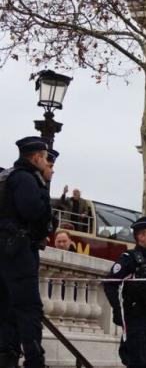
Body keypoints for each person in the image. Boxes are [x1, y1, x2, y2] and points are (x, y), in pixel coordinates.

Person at [0, 136, 53, 368]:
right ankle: (34, 359)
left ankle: (6, 356)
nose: (47, 163)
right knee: (29, 308)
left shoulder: (6, 176)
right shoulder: (27, 179)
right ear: (37, 157)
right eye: (45, 158)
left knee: (6, 306)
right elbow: (34, 212)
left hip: (4, 248)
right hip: (19, 251)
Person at [104, 217, 146, 368]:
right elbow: (110, 284)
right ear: (141, 236)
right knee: (137, 361)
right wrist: (119, 311)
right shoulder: (129, 259)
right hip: (134, 319)